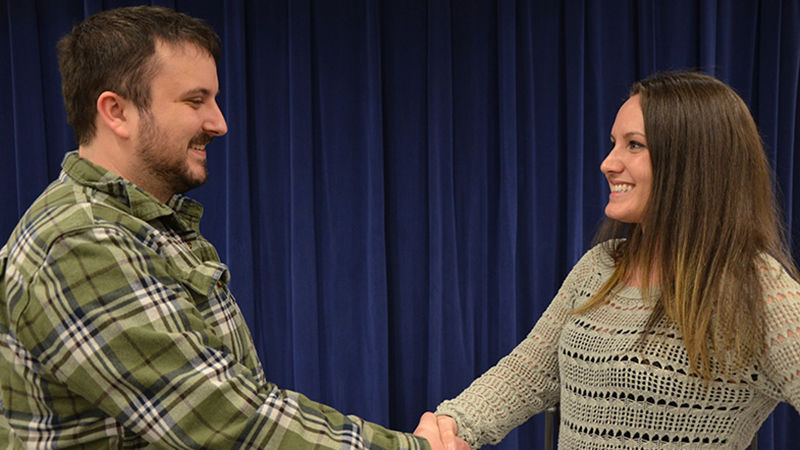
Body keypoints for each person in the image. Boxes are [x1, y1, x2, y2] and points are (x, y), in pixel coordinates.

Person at [0, 6, 469, 449]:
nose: (219, 123)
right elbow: (220, 419)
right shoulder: (81, 241)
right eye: (195, 100)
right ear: (116, 111)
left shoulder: (148, 225)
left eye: (215, 100)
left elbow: (234, 397)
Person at [424, 71, 800, 449]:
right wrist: (451, 424)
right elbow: (527, 374)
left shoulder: (755, 287)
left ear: (692, 160)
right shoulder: (600, 266)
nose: (608, 163)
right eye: (613, 143)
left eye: (634, 145)